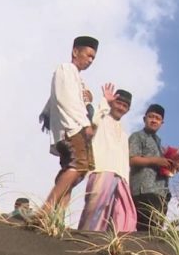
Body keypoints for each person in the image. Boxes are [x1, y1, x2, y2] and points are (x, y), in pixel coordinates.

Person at [41, 36, 99, 216]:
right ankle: (46, 210)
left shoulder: (78, 78)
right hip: (72, 128)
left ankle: (57, 216)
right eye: (88, 55)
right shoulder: (66, 69)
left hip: (73, 127)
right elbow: (64, 99)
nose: (90, 61)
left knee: (75, 170)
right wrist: (84, 124)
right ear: (75, 52)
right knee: (78, 167)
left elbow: (51, 104)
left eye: (93, 58)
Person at [77, 85, 137, 233]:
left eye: (125, 106)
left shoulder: (124, 134)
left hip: (121, 177)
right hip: (101, 170)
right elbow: (94, 119)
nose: (121, 108)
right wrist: (106, 101)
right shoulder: (101, 119)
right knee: (95, 211)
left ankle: (115, 248)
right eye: (118, 103)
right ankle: (84, 241)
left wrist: (125, 180)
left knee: (125, 215)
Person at [129, 104, 179, 232]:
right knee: (144, 232)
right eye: (151, 117)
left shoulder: (158, 141)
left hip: (161, 193)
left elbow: (161, 166)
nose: (154, 120)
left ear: (161, 123)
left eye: (157, 118)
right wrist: (155, 161)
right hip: (143, 191)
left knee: (155, 233)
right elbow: (131, 159)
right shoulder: (137, 136)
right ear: (144, 119)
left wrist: (173, 165)